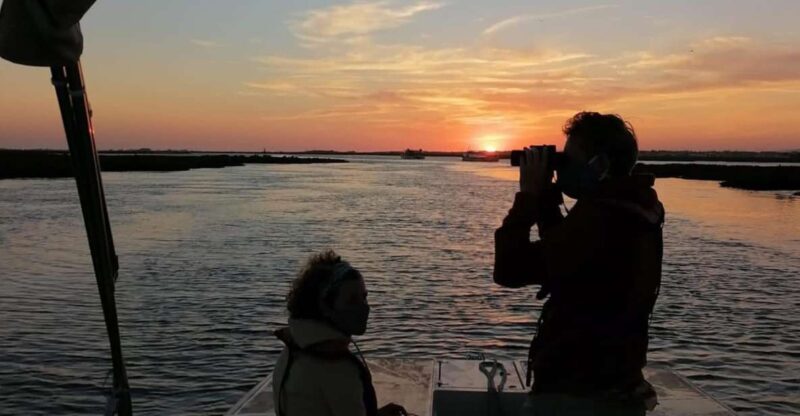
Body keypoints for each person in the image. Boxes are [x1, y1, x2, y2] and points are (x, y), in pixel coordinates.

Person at [493, 112, 664, 415]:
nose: (562, 169)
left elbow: (510, 269)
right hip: (611, 384)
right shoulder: (633, 207)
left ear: (599, 165)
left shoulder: (601, 219)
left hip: (578, 393)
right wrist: (547, 198)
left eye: (570, 160)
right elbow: (564, 257)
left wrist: (528, 199)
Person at [272, 250, 408, 416]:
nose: (364, 307)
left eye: (364, 297)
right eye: (352, 300)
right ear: (326, 307)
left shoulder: (292, 351)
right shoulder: (338, 370)